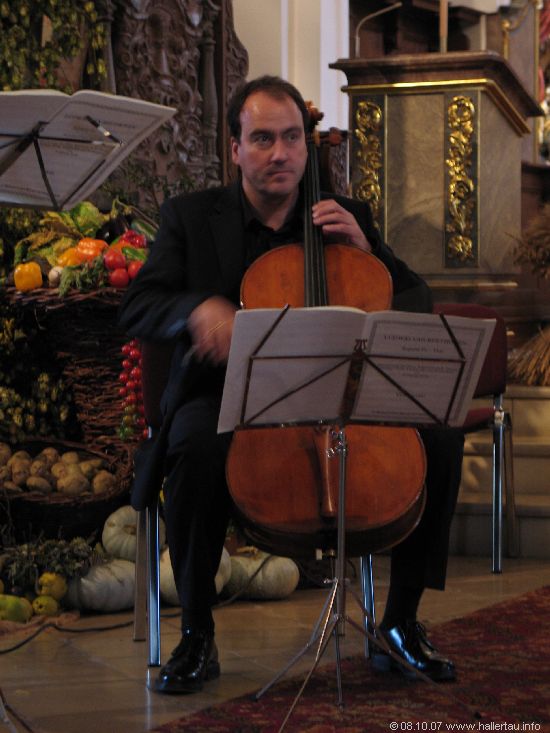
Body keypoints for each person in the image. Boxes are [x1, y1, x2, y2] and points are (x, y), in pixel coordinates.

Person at [118, 75, 464, 694]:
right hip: (230, 397)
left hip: (343, 396)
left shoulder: (346, 216)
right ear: (235, 148)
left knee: (438, 436)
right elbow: (138, 305)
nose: (279, 153)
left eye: (291, 138)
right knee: (194, 446)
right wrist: (198, 310)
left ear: (307, 144)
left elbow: (416, 299)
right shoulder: (190, 217)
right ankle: (197, 632)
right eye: (262, 139)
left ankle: (400, 623)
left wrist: (369, 251)